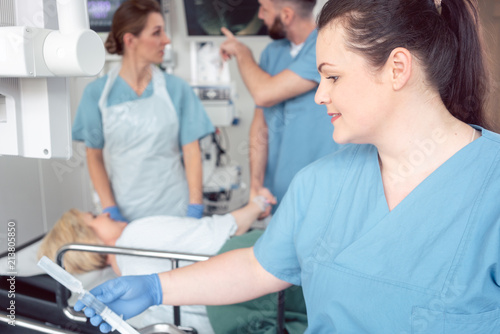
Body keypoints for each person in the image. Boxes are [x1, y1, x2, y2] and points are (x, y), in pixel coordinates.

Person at [76, 0, 500, 333]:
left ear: (397, 68)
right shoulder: (319, 184)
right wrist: (155, 288)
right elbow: (258, 266)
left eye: (332, 78)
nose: (320, 95)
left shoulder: (490, 186)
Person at [38, 190, 277, 333]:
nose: (106, 213)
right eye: (94, 216)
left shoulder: (140, 311)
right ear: (85, 237)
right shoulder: (136, 233)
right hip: (265, 277)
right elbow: (222, 231)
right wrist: (258, 203)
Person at [72, 0, 214, 222]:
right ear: (130, 40)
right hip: (124, 214)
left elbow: (192, 152)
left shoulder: (177, 89)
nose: (166, 40)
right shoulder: (97, 94)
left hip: (175, 209)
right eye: (157, 33)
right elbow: (94, 156)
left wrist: (194, 207)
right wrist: (111, 209)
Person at [219, 0, 340, 215]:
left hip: (323, 190)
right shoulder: (272, 53)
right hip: (278, 193)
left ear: (286, 15)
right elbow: (260, 124)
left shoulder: (328, 45)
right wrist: (256, 185)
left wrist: (241, 50)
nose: (259, 16)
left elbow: (264, 93)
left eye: (264, 9)